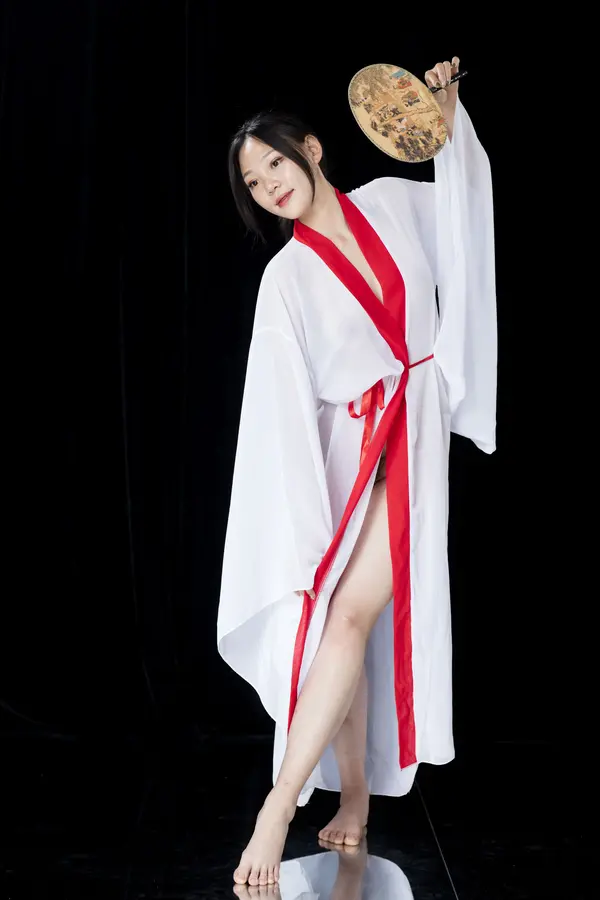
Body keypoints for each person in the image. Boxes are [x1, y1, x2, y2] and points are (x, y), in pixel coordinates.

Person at [217, 57, 497, 888]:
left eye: (275, 161)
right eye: (253, 180)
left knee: (348, 621)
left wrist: (447, 119)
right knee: (344, 626)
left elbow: (464, 212)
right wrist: (302, 516)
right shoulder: (286, 279)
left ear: (311, 149)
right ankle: (353, 799)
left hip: (411, 437)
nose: (269, 183)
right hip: (345, 457)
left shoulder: (390, 204)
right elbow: (277, 404)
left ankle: (278, 808)